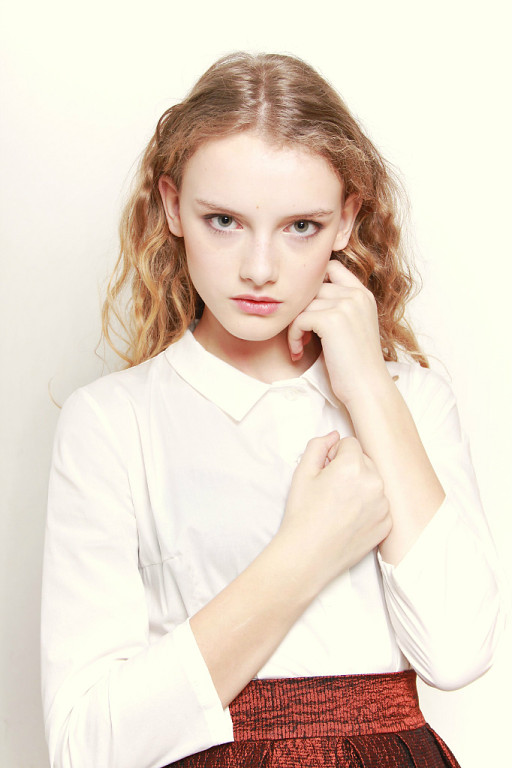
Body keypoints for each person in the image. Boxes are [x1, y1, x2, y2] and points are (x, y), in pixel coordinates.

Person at [41, 52, 506, 768]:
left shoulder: (409, 398)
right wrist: (307, 550)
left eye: (301, 226)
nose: (259, 269)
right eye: (224, 220)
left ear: (347, 219)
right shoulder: (113, 422)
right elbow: (86, 747)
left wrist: (367, 386)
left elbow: (459, 652)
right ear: (171, 206)